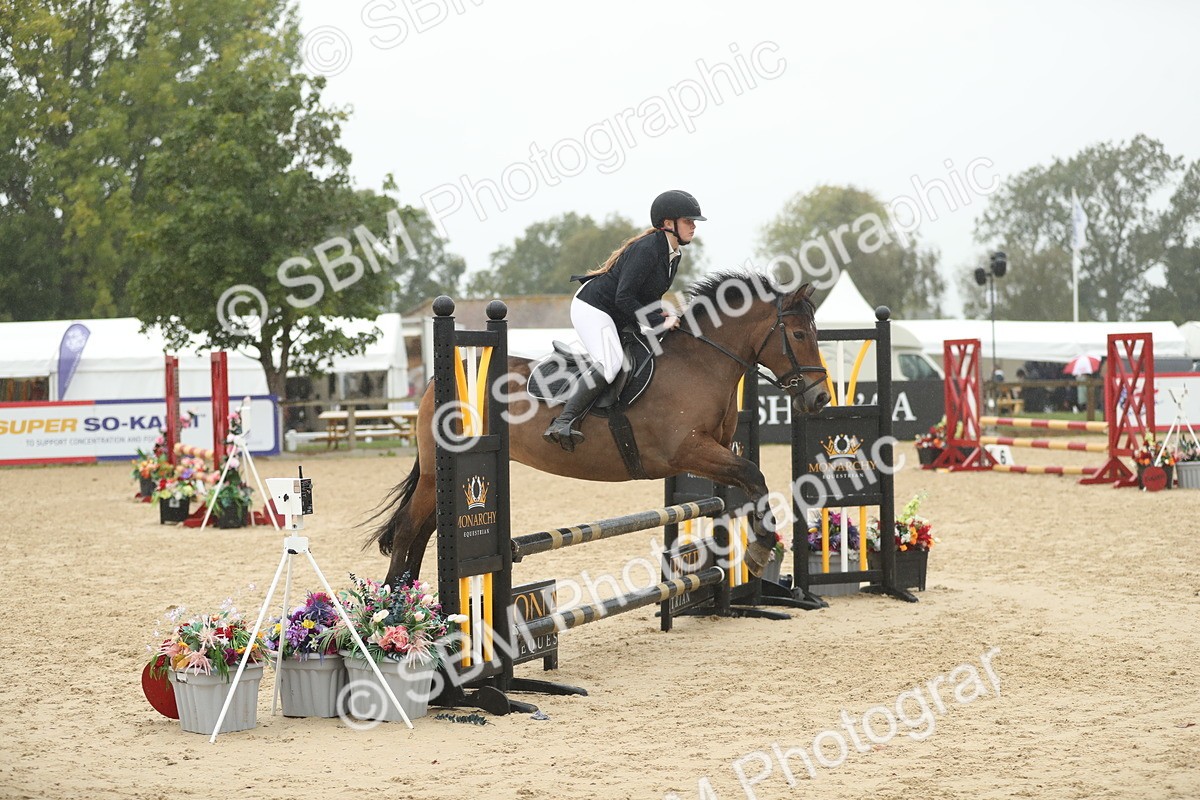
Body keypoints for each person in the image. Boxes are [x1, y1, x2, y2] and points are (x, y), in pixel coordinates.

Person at [542, 189, 706, 450]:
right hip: (593, 308)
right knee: (612, 362)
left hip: (617, 311)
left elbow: (647, 295)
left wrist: (661, 313)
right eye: (688, 221)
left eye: (693, 222)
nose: (694, 226)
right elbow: (624, 297)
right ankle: (563, 421)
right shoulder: (648, 249)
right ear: (668, 224)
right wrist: (655, 320)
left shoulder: (673, 254)